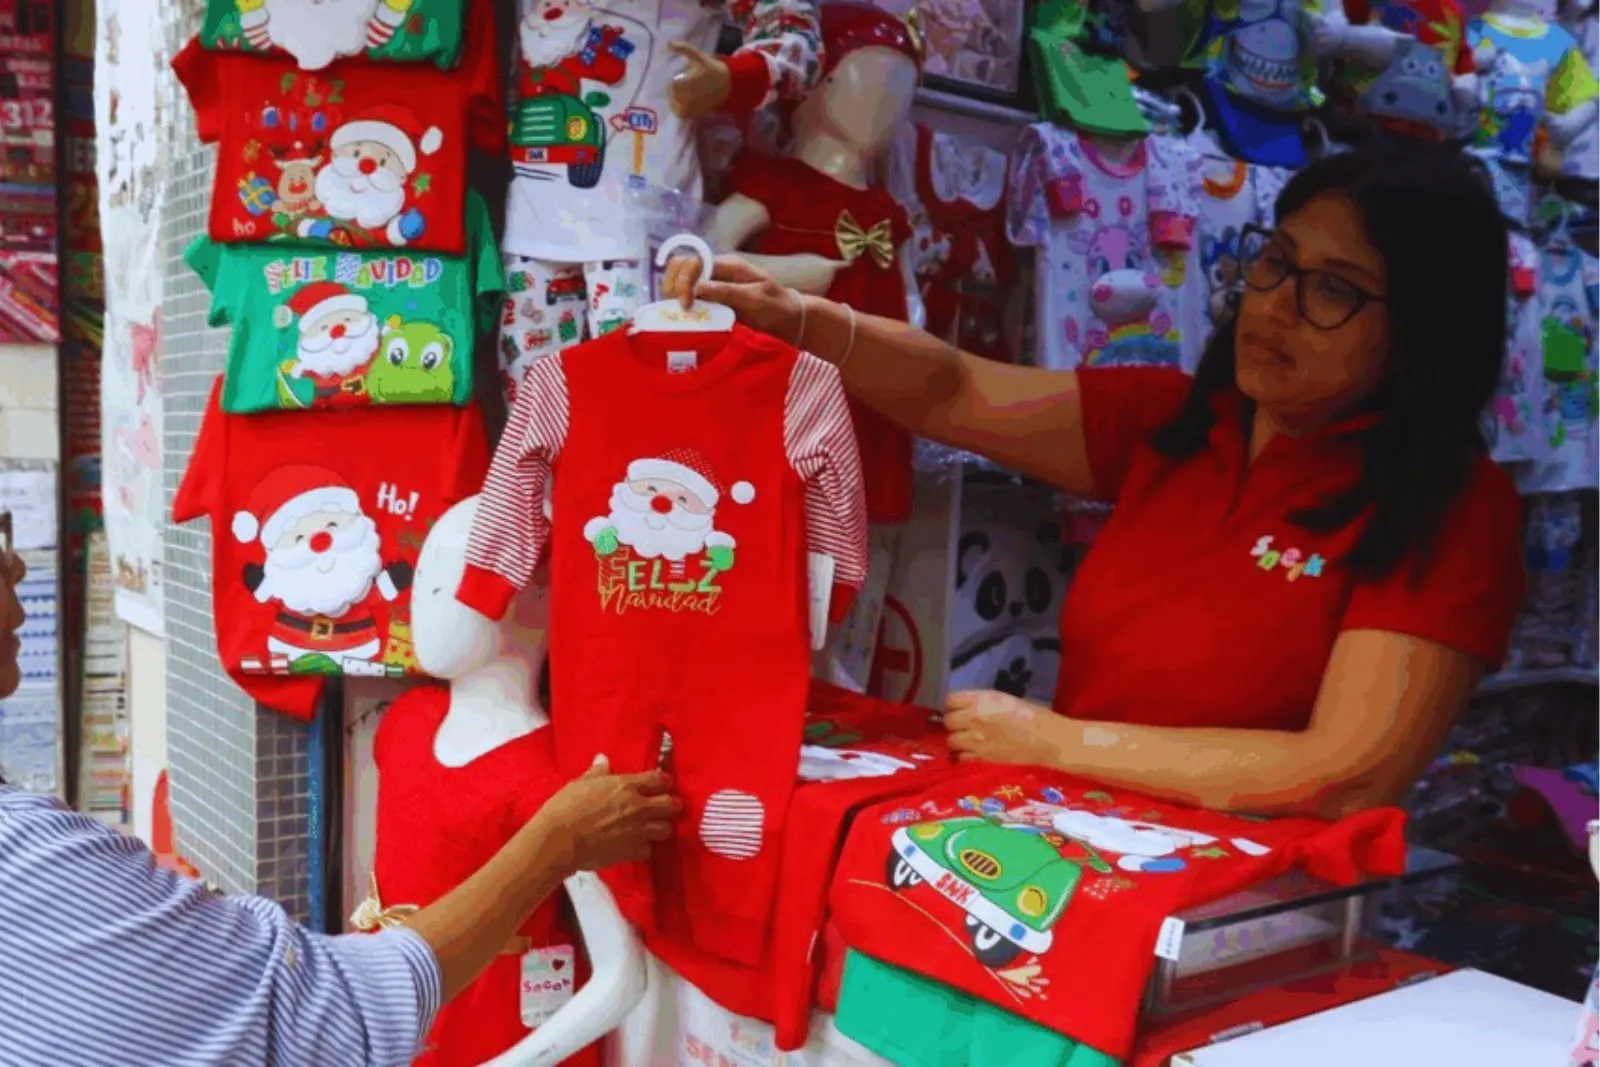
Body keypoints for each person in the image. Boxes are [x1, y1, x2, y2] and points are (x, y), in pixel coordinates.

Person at [665, 141, 1526, 819]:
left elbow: (1345, 773)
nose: (1274, 304)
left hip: (1252, 921)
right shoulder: (1179, 423)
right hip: (1076, 854)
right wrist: (802, 320)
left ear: (1423, 333)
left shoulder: (1453, 509)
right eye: (1276, 260)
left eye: (1333, 289)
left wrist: (1057, 744)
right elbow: (953, 390)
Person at [0, 544, 680, 1065]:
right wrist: (554, 843)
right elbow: (329, 1005)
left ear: (540, 600)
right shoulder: (408, 725)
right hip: (405, 1013)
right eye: (428, 568)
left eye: (466, 572)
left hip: (499, 1022)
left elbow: (620, 973)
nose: (18, 566)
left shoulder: (551, 771)